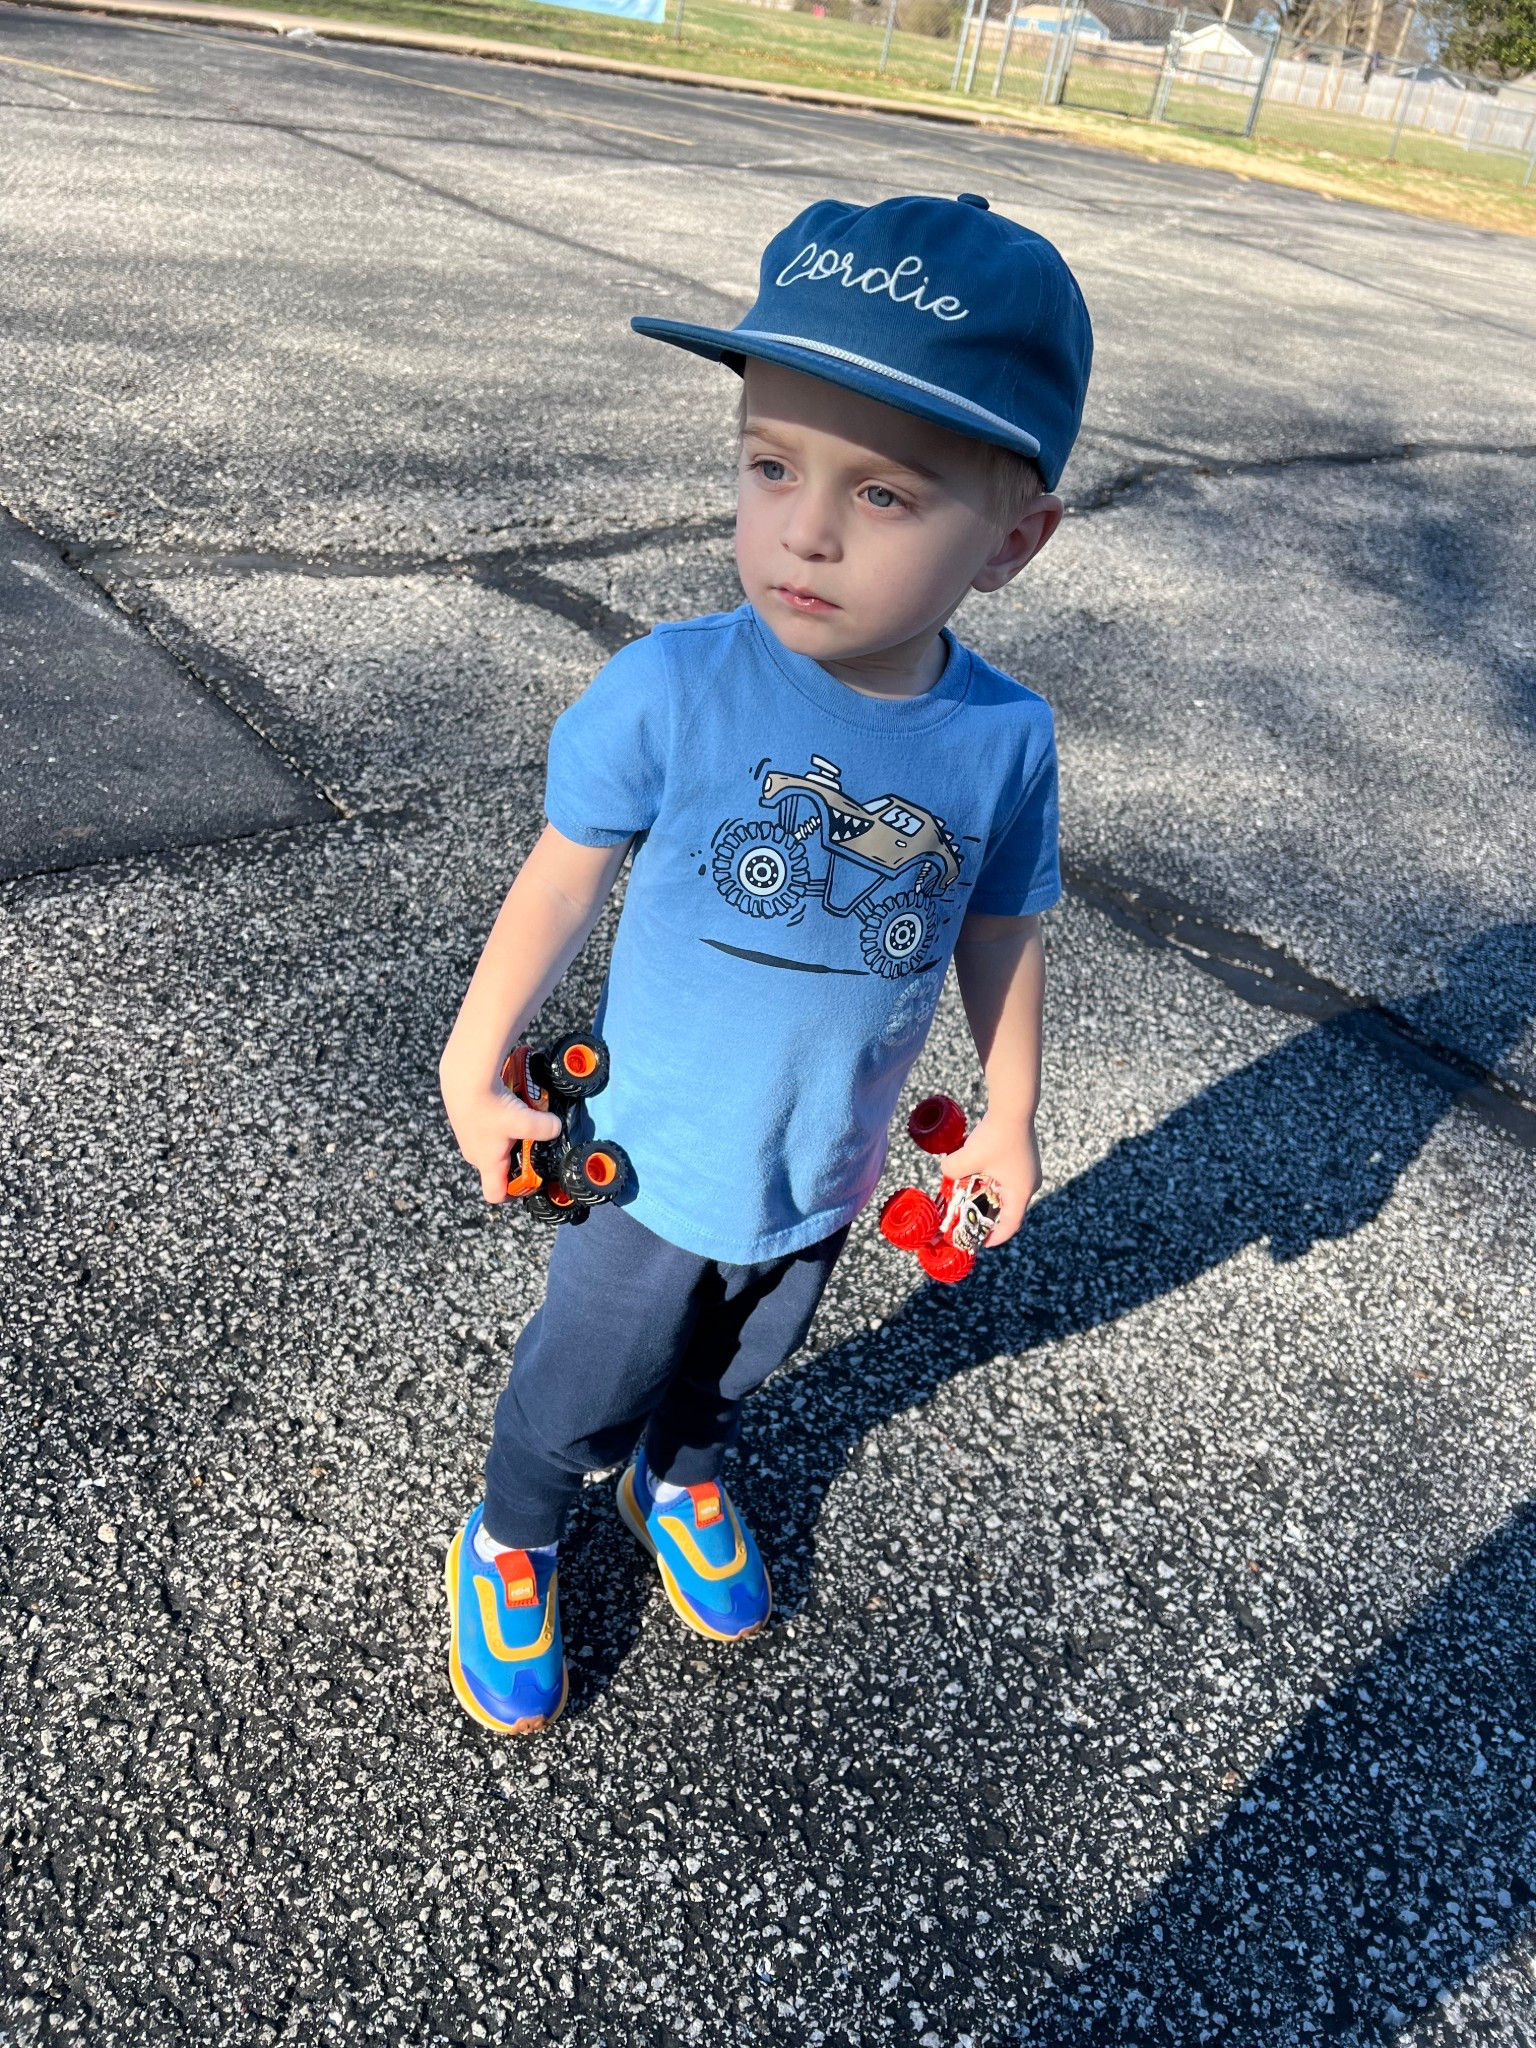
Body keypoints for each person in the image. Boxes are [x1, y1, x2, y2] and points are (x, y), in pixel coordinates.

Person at [438, 192, 1093, 1735]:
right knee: (584, 1376)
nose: (803, 530)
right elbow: (561, 879)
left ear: (1012, 542)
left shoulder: (1004, 740)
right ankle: (517, 1528)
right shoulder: (671, 687)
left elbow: (1000, 928)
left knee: (742, 1360)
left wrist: (1006, 1113)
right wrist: (475, 1054)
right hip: (650, 1163)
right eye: (772, 465)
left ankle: (681, 1472)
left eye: (885, 493)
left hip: (826, 1166)